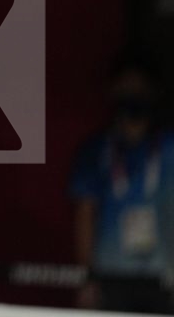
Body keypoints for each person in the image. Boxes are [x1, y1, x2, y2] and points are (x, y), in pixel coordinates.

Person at [70, 62, 174, 313]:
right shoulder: (96, 150)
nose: (132, 96)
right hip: (112, 277)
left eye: (139, 89)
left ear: (153, 93)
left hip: (165, 276)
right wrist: (87, 277)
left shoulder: (169, 146)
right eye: (125, 89)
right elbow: (85, 213)